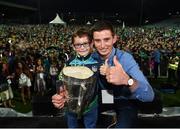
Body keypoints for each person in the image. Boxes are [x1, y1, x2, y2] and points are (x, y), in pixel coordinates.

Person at [91, 20, 154, 128]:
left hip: (123, 100)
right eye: (98, 41)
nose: (102, 45)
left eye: (106, 39)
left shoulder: (125, 58)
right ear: (93, 42)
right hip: (102, 99)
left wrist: (127, 80)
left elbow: (149, 96)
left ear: (114, 39)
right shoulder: (91, 58)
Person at [52, 28, 99, 128]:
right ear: (73, 46)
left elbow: (104, 84)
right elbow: (60, 79)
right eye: (78, 45)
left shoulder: (97, 62)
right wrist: (60, 94)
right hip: (71, 105)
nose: (82, 47)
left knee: (90, 127)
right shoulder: (70, 62)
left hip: (91, 105)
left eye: (85, 44)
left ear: (91, 44)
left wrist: (108, 102)